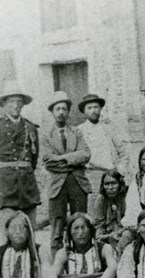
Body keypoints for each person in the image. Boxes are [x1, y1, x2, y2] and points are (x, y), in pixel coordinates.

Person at [0, 81, 41, 225]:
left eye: (19, 102)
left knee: (30, 229)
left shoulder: (30, 127)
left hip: (27, 185)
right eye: (12, 101)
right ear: (4, 104)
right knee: (7, 231)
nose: (16, 105)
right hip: (5, 187)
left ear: (23, 104)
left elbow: (33, 159)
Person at [41, 91, 92, 250]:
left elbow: (85, 154)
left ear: (68, 111)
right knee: (56, 226)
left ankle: (82, 258)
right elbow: (48, 162)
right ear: (52, 111)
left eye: (64, 108)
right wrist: (72, 160)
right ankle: (58, 263)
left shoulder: (76, 132)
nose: (61, 112)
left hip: (77, 182)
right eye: (58, 109)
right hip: (57, 185)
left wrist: (60, 158)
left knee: (80, 224)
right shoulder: (45, 135)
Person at [77, 93, 130, 219]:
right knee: (95, 208)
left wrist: (120, 169)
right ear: (84, 111)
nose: (94, 111)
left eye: (96, 107)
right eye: (89, 108)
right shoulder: (79, 130)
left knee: (113, 208)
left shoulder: (109, 129)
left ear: (100, 109)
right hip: (91, 175)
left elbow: (123, 150)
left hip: (110, 174)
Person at [94, 170, 128, 247]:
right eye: (107, 184)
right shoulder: (101, 199)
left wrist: (117, 234)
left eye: (114, 183)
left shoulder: (127, 198)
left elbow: (129, 224)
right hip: (106, 234)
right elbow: (99, 224)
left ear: (120, 184)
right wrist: (100, 235)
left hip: (123, 233)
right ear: (102, 186)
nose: (110, 187)